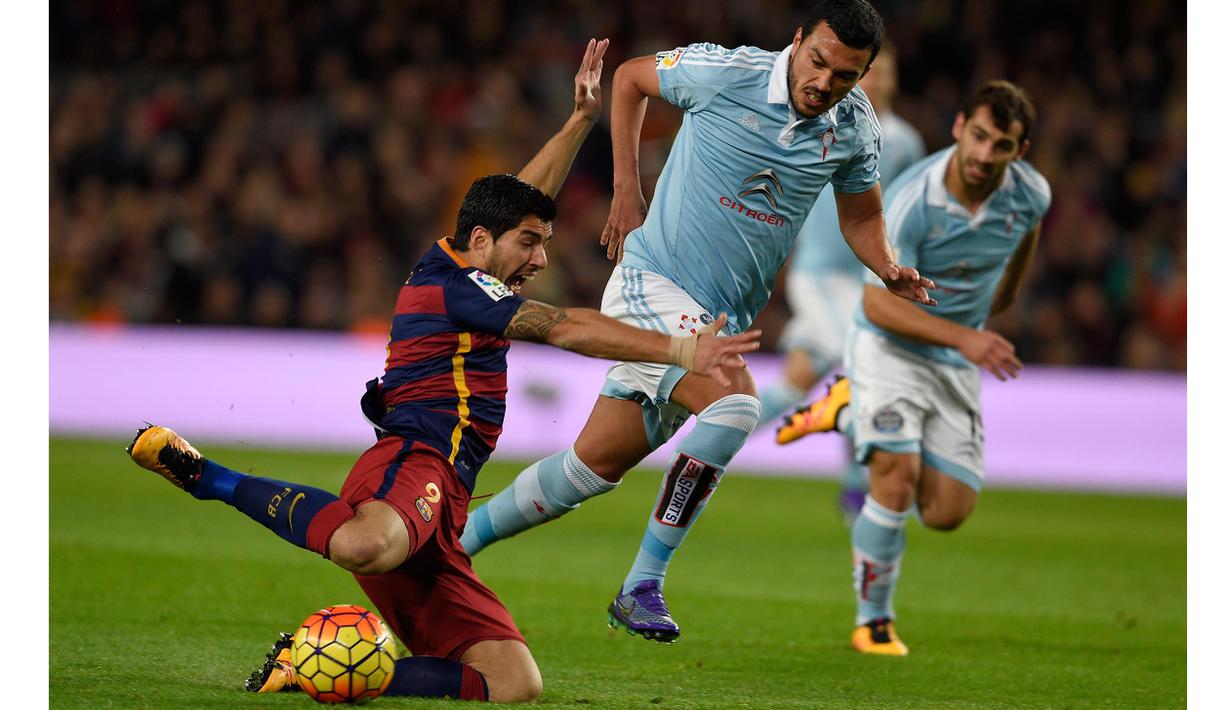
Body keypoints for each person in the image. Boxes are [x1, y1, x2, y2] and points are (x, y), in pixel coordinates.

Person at [126, 39, 761, 703]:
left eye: (541, 243)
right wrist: (679, 350)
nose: (541, 259)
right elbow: (562, 326)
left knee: (515, 684)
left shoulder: (464, 258)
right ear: (482, 243)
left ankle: (307, 668)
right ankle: (209, 478)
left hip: (446, 505)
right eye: (530, 244)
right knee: (364, 546)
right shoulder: (456, 289)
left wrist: (578, 122)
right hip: (413, 462)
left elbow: (516, 202)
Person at [460, 0, 936, 645]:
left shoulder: (854, 127)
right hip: (652, 282)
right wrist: (627, 189)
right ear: (797, 42)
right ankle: (642, 585)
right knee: (737, 404)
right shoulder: (728, 72)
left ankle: (452, 547)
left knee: (589, 469)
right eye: (818, 62)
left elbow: (860, 217)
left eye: (845, 76)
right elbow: (630, 78)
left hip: (719, 315)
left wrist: (887, 266)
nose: (824, 83)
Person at [776, 80, 1051, 655]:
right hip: (888, 346)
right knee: (894, 480)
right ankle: (873, 622)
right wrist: (968, 338)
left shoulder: (1031, 196)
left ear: (1018, 152)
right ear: (957, 127)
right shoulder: (913, 200)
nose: (983, 154)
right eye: (977, 136)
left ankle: (848, 413)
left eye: (1000, 145)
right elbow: (877, 302)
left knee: (947, 513)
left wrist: (990, 312)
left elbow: (1014, 261)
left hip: (951, 358)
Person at [756, 41, 925, 525]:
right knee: (863, 365)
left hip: (867, 276)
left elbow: (904, 211)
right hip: (818, 270)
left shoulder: (905, 141)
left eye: (883, 72)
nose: (875, 80)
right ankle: (860, 486)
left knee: (800, 380)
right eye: (868, 73)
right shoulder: (829, 123)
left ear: (891, 79)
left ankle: (710, 441)